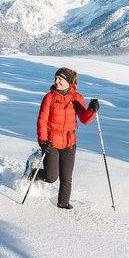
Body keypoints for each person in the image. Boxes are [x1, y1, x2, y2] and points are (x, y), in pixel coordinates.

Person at [33, 67, 98, 209]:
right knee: (51, 177)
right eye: (55, 78)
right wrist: (43, 141)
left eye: (59, 79)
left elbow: (84, 119)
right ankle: (34, 173)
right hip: (51, 143)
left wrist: (92, 110)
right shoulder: (49, 98)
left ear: (68, 81)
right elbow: (42, 121)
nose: (56, 81)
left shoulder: (77, 98)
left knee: (66, 178)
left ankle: (63, 204)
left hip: (69, 143)